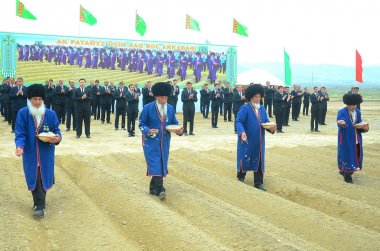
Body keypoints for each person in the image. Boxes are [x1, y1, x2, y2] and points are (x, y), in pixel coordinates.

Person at [15, 84, 62, 218]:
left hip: (46, 153)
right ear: (29, 99)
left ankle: (39, 205)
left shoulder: (51, 114)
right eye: (34, 99)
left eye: (39, 99)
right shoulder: (23, 113)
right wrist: (19, 146)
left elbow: (57, 131)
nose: (37, 102)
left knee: (43, 177)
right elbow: (20, 133)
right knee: (34, 177)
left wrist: (57, 138)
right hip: (30, 153)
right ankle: (39, 204)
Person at [139, 82, 183, 200]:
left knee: (162, 162)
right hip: (151, 141)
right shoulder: (148, 108)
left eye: (166, 98)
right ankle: (160, 190)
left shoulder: (170, 108)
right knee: (155, 162)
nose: (164, 100)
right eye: (162, 98)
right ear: (157, 97)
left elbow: (174, 123)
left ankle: (153, 188)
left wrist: (179, 130)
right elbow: (141, 123)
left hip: (165, 141)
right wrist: (148, 131)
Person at [236, 84, 276, 191]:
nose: (258, 99)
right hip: (247, 140)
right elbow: (239, 121)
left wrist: (271, 128)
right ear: (250, 97)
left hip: (259, 141)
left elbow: (265, 122)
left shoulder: (262, 109)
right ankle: (241, 176)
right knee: (245, 157)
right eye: (255, 97)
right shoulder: (245, 108)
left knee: (259, 160)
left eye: (259, 97)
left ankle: (258, 182)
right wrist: (242, 132)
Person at [337, 93, 368, 183]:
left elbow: (359, 123)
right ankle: (347, 175)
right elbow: (340, 123)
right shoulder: (341, 112)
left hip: (356, 137)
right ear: (347, 104)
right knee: (346, 154)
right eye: (351, 105)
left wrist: (364, 127)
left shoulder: (358, 112)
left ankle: (346, 171)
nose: (353, 107)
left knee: (355, 153)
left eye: (354, 105)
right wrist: (342, 124)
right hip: (346, 138)